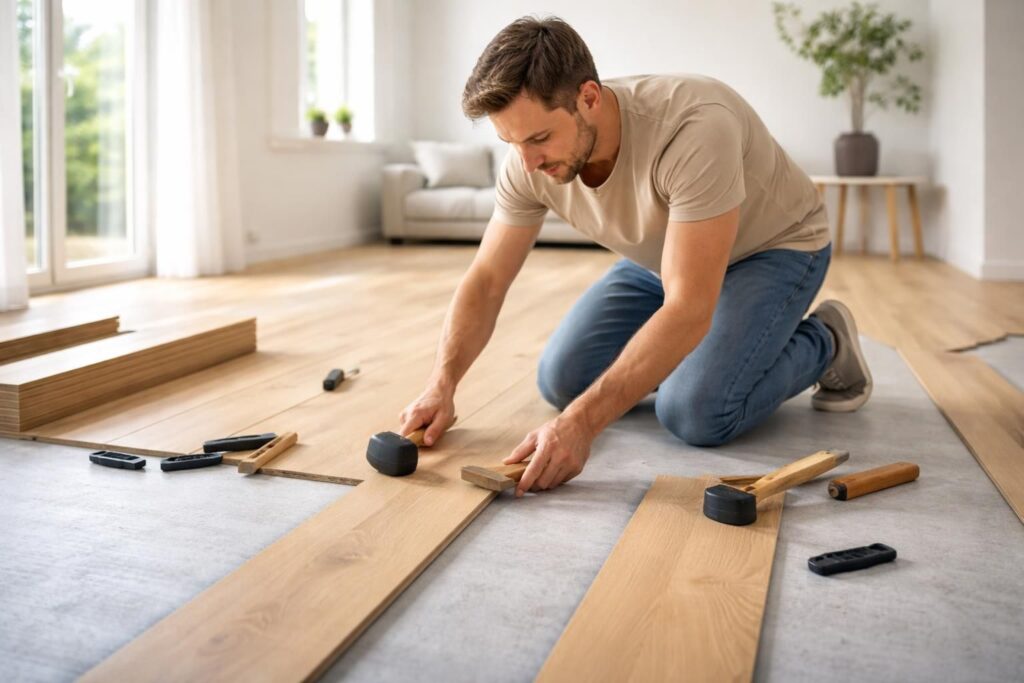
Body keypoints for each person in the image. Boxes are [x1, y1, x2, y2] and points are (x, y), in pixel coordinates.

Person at [398, 16, 872, 497]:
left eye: (539, 139)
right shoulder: (527, 162)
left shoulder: (694, 128)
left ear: (588, 97)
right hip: (666, 255)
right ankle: (706, 355)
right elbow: (487, 280)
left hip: (776, 247)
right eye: (512, 143)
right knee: (562, 380)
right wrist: (443, 382)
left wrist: (581, 425)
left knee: (693, 411)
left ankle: (826, 339)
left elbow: (689, 308)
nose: (528, 163)